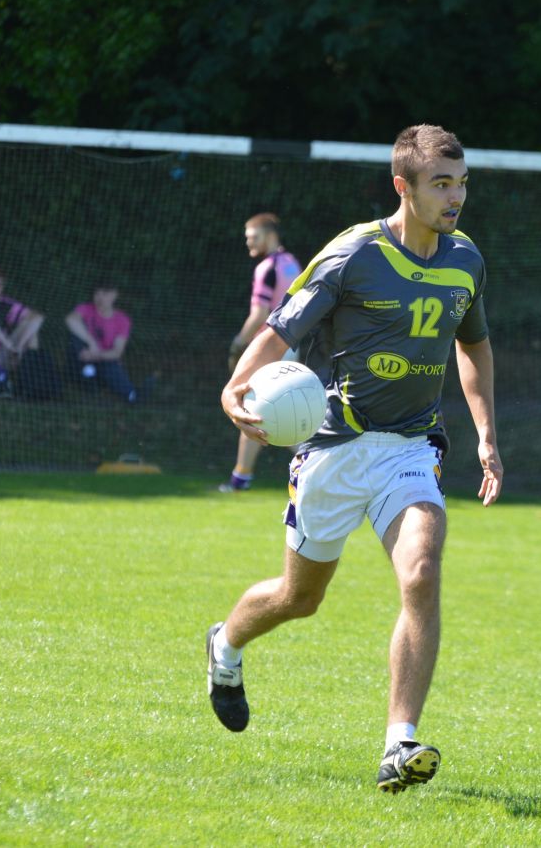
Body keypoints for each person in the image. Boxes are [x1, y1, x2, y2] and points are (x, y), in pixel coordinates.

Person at [204, 124, 503, 795]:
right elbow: (281, 328)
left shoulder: (466, 260)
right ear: (404, 186)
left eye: (461, 183)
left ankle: (399, 743)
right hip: (335, 447)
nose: (455, 197)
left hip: (410, 446)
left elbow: (474, 345)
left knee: (422, 571)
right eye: (441, 184)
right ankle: (225, 643)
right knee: (297, 598)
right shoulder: (353, 254)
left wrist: (485, 433)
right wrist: (235, 387)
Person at [219, 213, 304, 492]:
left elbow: (259, 314)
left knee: (251, 408)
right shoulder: (292, 263)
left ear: (269, 235)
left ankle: (241, 478)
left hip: (270, 347)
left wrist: (239, 342)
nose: (248, 242)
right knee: (271, 411)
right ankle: (242, 477)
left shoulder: (267, 268)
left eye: (252, 236)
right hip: (293, 343)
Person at [64, 284, 140, 403]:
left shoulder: (122, 320)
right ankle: (88, 378)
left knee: (111, 366)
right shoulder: (86, 308)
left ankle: (132, 395)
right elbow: (71, 320)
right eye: (97, 294)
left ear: (114, 295)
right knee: (76, 337)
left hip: (101, 359)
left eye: (104, 294)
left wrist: (97, 355)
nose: (100, 298)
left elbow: (117, 352)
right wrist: (92, 342)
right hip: (81, 357)